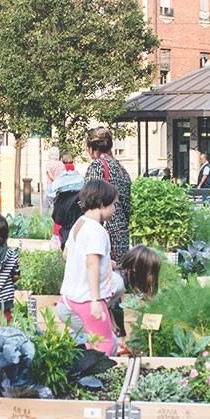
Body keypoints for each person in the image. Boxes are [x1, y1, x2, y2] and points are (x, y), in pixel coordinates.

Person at [61, 178, 120, 354]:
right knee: (105, 346)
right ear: (102, 204)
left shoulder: (79, 224)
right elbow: (92, 263)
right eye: (113, 205)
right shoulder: (97, 230)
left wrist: (106, 262)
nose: (115, 210)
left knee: (96, 343)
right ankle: (98, 379)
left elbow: (67, 254)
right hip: (87, 301)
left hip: (68, 300)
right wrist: (95, 301)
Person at [86, 126, 133, 254]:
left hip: (104, 232)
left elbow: (89, 200)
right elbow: (127, 206)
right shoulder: (121, 169)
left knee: (103, 271)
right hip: (121, 234)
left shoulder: (97, 166)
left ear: (92, 148)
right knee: (117, 272)